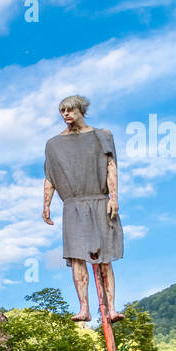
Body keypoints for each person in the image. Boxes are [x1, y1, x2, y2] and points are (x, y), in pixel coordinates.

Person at [41, 94, 125, 323]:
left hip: (99, 199)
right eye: (62, 111)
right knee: (77, 258)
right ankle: (84, 308)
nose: (66, 114)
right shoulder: (54, 144)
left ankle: (112, 308)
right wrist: (46, 205)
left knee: (104, 257)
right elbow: (50, 177)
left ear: (80, 110)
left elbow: (111, 167)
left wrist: (114, 198)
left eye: (69, 110)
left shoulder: (102, 136)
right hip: (73, 204)